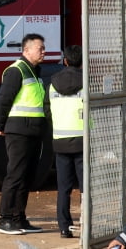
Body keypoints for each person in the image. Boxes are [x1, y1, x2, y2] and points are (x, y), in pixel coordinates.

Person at [0, 32, 47, 235]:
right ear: (26, 50)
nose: (43, 51)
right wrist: (1, 125)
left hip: (33, 131)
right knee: (15, 175)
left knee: (27, 176)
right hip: (18, 131)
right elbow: (3, 100)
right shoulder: (17, 70)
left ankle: (19, 218)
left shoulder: (34, 71)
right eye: (39, 48)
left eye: (43, 48)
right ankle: (5, 219)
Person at [49, 44, 84, 238]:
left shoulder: (53, 83)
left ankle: (64, 227)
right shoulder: (86, 82)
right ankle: (87, 225)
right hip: (81, 140)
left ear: (65, 61)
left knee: (64, 189)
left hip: (60, 140)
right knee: (85, 188)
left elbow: (48, 109)